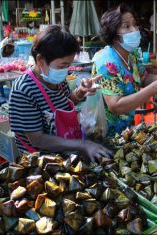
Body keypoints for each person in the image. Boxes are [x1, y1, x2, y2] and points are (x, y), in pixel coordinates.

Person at [9, 25, 112, 162]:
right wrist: (83, 145)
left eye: (68, 65)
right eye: (62, 66)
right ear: (40, 60)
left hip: (67, 158)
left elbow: (66, 102)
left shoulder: (57, 80)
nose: (65, 70)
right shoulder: (23, 90)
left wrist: (81, 91)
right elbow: (37, 139)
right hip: (42, 166)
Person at [92, 4, 157, 136]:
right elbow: (115, 106)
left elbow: (143, 78)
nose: (135, 30)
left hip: (126, 130)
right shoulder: (106, 63)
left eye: (134, 24)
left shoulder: (132, 55)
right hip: (105, 133)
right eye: (127, 26)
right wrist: (152, 90)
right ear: (114, 35)